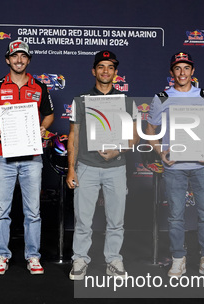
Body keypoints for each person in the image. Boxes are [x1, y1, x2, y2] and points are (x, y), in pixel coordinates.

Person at [145, 52, 204, 278]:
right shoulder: (162, 98)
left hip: (201, 164)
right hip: (175, 166)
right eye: (177, 68)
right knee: (175, 216)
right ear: (172, 72)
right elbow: (150, 130)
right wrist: (161, 152)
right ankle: (178, 259)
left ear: (192, 71)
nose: (182, 73)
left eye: (186, 68)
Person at [0, 40, 54, 275]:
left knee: (33, 211)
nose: (19, 60)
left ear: (28, 60)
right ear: (7, 59)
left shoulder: (40, 86)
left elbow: (50, 115)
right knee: (1, 210)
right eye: (15, 56)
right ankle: (1, 254)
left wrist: (42, 127)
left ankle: (33, 256)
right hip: (3, 157)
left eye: (23, 56)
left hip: (32, 156)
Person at [66, 50, 138, 280]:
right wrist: (71, 168)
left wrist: (119, 149)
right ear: (94, 71)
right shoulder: (81, 100)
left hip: (116, 166)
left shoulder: (127, 101)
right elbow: (73, 137)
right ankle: (80, 259)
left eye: (110, 67)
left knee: (116, 220)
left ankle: (113, 259)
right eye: (101, 67)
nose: (105, 71)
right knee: (83, 220)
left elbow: (135, 136)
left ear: (116, 72)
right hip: (86, 166)